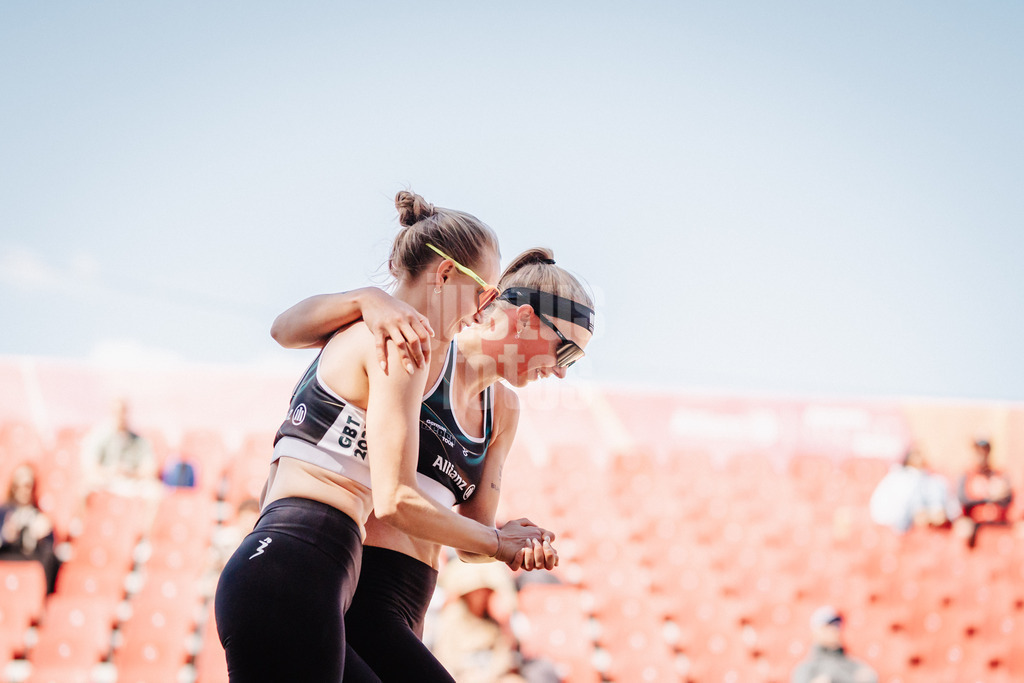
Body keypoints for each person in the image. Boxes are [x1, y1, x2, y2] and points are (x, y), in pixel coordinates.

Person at [214, 191, 556, 682]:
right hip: (295, 561)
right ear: (444, 275)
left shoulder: (386, 331)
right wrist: (497, 542)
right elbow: (396, 499)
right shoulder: (397, 340)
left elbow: (283, 329)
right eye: (484, 294)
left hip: (306, 566)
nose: (483, 310)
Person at [272, 242, 595, 682]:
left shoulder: (503, 410)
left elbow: (469, 543)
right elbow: (286, 330)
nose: (561, 372)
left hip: (409, 606)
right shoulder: (425, 352)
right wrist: (367, 298)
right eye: (565, 352)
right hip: (359, 590)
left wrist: (506, 539)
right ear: (524, 318)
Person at [79, 397, 160, 499]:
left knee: (155, 491)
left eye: (123, 412)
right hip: (106, 480)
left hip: (132, 482)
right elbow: (90, 466)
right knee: (84, 487)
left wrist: (130, 473)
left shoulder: (139, 440)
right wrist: (110, 471)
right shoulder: (98, 437)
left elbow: (150, 470)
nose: (121, 416)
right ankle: (79, 515)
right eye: (117, 412)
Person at [868, 445, 960, 534]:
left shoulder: (933, 479)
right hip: (899, 524)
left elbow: (945, 512)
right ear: (909, 459)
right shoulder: (900, 478)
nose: (922, 458)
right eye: (917, 455)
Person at [0, 463, 61, 593]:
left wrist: (44, 534)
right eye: (18, 486)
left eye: (28, 486)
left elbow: (52, 547)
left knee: (49, 557)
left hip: (30, 559)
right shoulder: (4, 512)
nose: (23, 491)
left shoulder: (39, 515)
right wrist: (6, 535)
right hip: (8, 556)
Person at [791, 606, 877, 683]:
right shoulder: (805, 670)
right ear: (816, 631)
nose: (835, 629)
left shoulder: (856, 667)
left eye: (837, 624)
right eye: (830, 624)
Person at [955, 438, 1014, 548]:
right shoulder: (967, 475)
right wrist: (989, 497)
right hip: (975, 523)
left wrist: (999, 495)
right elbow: (963, 499)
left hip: (997, 521)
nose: (982, 455)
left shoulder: (1000, 475)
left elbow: (1008, 498)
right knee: (963, 529)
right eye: (979, 451)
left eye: (985, 450)